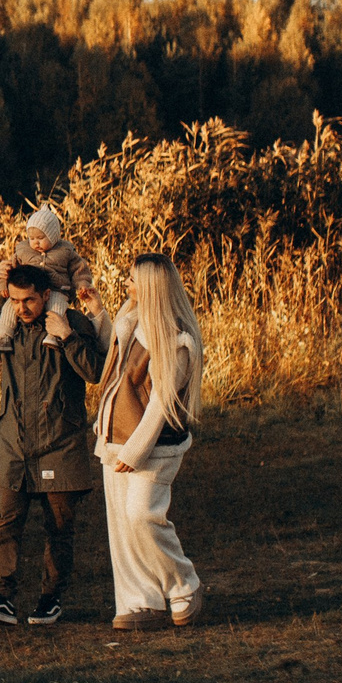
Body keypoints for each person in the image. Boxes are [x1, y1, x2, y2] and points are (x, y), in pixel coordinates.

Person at [0, 255, 108, 626]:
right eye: (14, 300)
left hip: (60, 444)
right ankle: (1, 599)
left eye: (29, 300)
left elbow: (96, 371)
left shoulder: (69, 322)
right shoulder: (6, 323)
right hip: (13, 444)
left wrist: (66, 338)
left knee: (60, 529)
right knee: (5, 526)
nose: (21, 308)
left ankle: (51, 599)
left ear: (45, 294)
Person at [92, 253, 206, 630]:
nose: (127, 284)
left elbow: (160, 403)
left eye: (132, 279)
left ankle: (184, 583)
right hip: (115, 438)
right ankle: (141, 602)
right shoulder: (134, 321)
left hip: (152, 448)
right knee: (122, 526)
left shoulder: (175, 341)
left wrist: (135, 450)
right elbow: (117, 362)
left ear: (152, 287)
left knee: (142, 516)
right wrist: (100, 316)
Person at [0, 206, 93, 351]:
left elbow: (79, 270)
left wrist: (82, 285)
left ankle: (54, 335)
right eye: (32, 238)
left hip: (57, 288)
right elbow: (9, 269)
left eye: (41, 238)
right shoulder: (23, 250)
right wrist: (3, 285)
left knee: (56, 307)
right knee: (9, 309)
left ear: (53, 236)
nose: (36, 242)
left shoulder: (65, 250)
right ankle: (3, 337)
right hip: (27, 290)